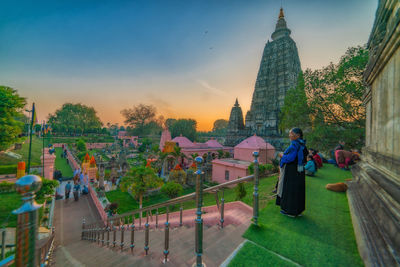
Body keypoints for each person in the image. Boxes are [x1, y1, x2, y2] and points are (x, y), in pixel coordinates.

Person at [276, 128, 308, 217]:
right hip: (299, 170)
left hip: (292, 171)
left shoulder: (295, 145)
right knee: (299, 190)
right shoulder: (302, 144)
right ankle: (298, 210)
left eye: (291, 134)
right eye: (290, 133)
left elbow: (290, 158)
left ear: (297, 135)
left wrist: (282, 155)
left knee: (291, 190)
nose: (289, 135)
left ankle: (290, 211)